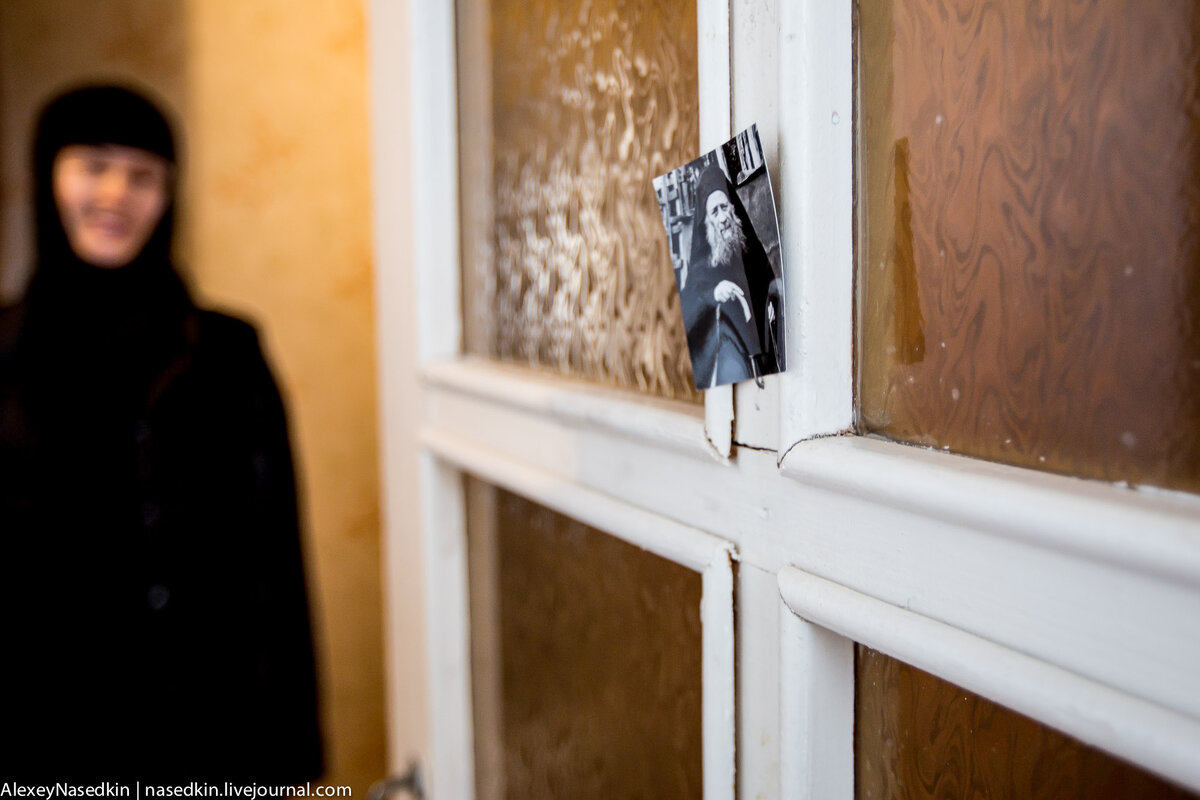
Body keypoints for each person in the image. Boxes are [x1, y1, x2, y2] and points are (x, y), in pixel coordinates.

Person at [0, 85, 322, 782]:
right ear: (47, 177)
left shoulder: (229, 351)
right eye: (94, 165)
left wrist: (286, 758)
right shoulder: (6, 353)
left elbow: (273, 559)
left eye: (143, 176)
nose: (116, 194)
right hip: (42, 736)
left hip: (204, 735)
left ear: (168, 196)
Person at [679, 164, 781, 389]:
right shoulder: (702, 263)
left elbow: (765, 274)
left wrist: (774, 291)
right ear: (707, 221)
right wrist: (715, 292)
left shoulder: (743, 241)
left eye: (724, 208)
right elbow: (690, 301)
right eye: (715, 212)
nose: (723, 218)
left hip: (766, 346)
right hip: (734, 358)